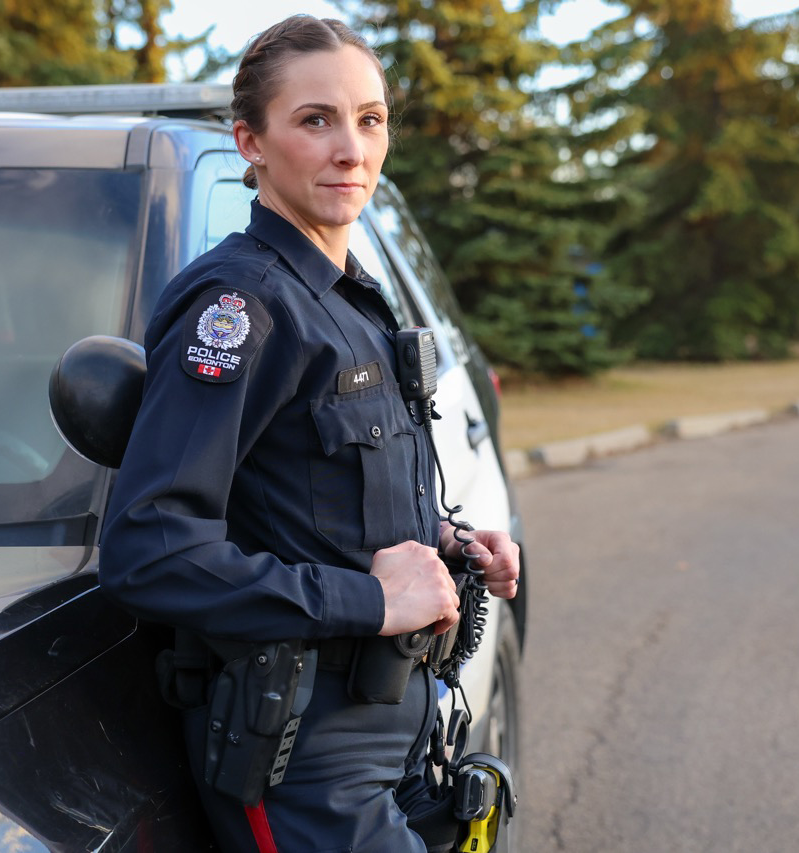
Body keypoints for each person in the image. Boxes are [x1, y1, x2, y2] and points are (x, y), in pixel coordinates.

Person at [100, 15, 520, 853]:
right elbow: (150, 548)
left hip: (398, 726)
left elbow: (314, 496)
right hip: (305, 757)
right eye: (316, 120)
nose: (351, 150)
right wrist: (373, 600)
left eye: (370, 119)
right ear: (250, 142)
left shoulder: (350, 298)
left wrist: (450, 543)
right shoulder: (239, 305)